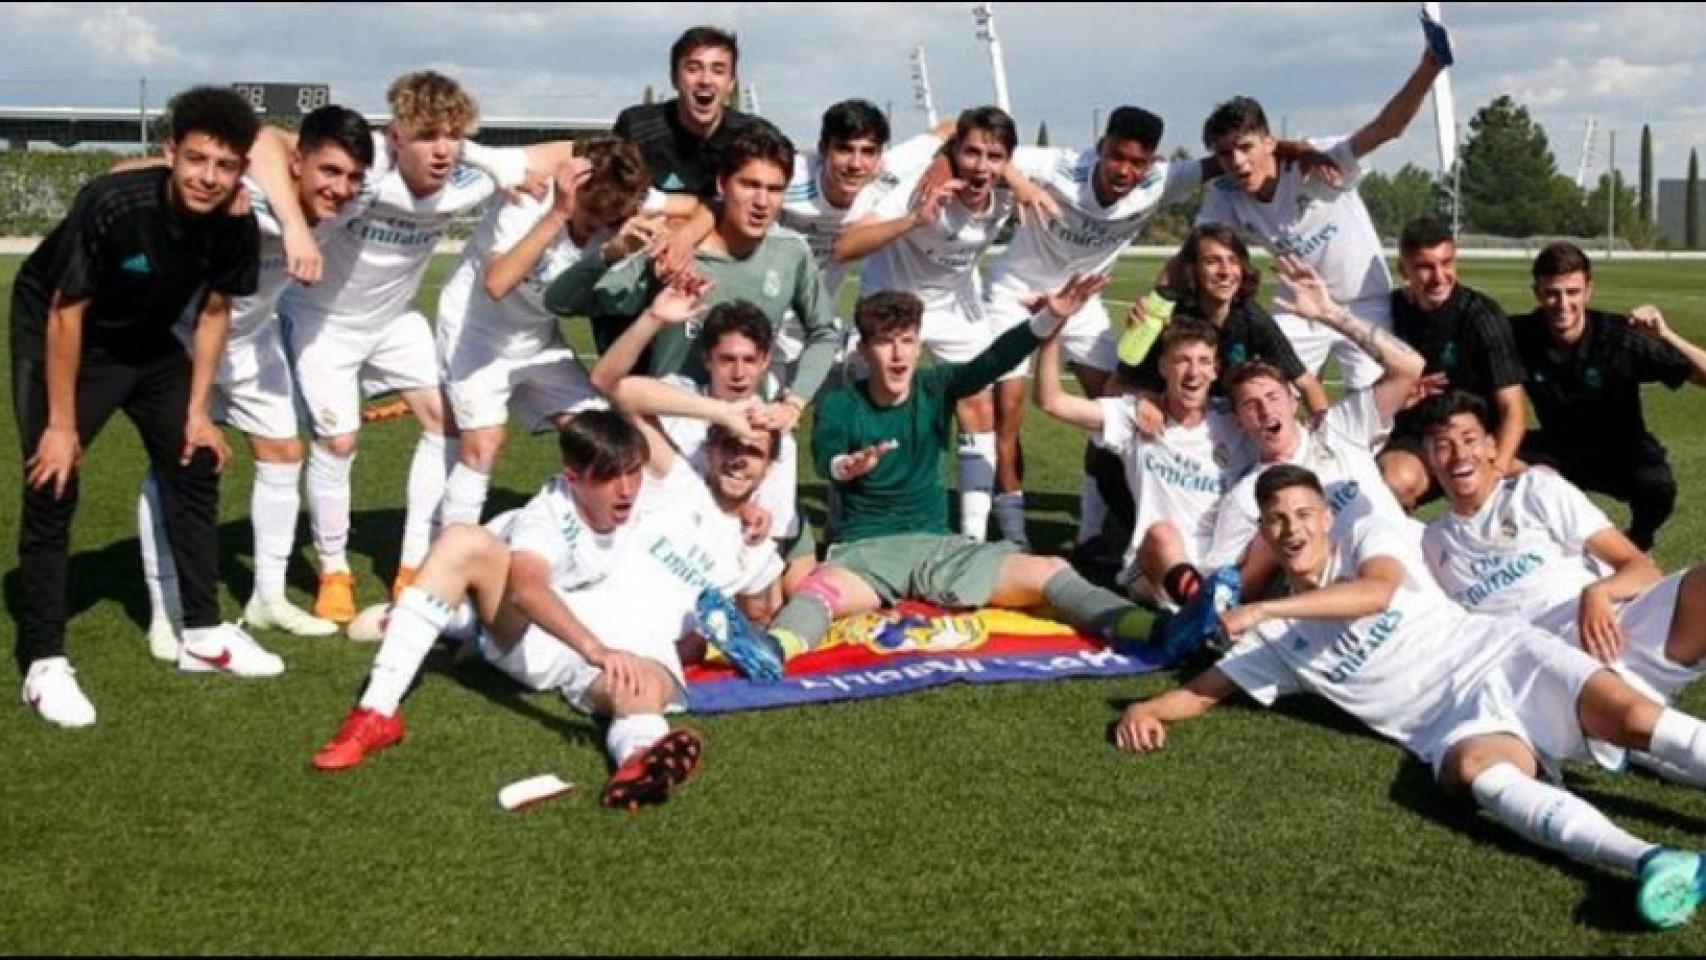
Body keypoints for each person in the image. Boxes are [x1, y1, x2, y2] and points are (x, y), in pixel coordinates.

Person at [1116, 464, 1706, 931]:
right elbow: (1202, 694)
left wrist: (1265, 605)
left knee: (1632, 717)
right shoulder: (1278, 645)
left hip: (1499, 655)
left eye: (1302, 514)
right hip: (1449, 722)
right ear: (1264, 534)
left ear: (1326, 519)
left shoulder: (1367, 543)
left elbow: (1374, 593)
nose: (1292, 529)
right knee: (1478, 772)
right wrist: (1147, 708)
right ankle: (1652, 860)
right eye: (1276, 521)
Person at [310, 407, 782, 810]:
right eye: (608, 477)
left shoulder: (676, 502)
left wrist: (742, 517)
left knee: (638, 684)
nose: (625, 489)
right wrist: (594, 648)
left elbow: (759, 599)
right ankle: (378, 710)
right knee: (461, 542)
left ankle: (638, 764)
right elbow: (528, 588)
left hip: (628, 644)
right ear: (573, 477)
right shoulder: (550, 510)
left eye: (632, 472)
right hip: (542, 637)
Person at [252, 71, 568, 621]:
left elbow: (570, 151)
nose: (442, 150)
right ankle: (333, 569)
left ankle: (413, 563)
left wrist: (490, 158)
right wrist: (297, 229)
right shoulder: (365, 165)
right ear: (394, 136)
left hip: (394, 322)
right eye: (427, 136)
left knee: (445, 422)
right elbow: (263, 139)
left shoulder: (471, 175)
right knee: (340, 442)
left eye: (453, 135)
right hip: (323, 322)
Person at [728, 276, 1156, 680]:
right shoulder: (840, 403)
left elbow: (994, 360)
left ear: (918, 346)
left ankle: (1154, 630)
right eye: (885, 343)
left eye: (907, 342)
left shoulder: (936, 387)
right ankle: (770, 651)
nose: (897, 355)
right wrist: (847, 467)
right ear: (864, 351)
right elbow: (825, 459)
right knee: (816, 595)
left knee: (1050, 569)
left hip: (940, 549)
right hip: (864, 554)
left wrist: (1050, 318)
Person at [12, 87, 274, 727]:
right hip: (65, 333)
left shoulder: (237, 223)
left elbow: (215, 314)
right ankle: (44, 663)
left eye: (225, 164)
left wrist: (196, 410)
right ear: (169, 153)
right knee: (55, 477)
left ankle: (203, 634)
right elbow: (64, 314)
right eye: (196, 159)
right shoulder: (112, 203)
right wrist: (62, 424)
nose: (208, 177)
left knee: (195, 458)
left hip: (149, 339)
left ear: (242, 170)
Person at [134, 105, 374, 658]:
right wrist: (290, 226)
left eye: (353, 176)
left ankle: (268, 597)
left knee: (285, 453)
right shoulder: (250, 192)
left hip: (253, 340)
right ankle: (165, 610)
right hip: (183, 339)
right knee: (176, 468)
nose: (341, 189)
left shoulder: (349, 196)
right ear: (297, 163)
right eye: (329, 172)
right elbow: (262, 135)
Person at [434, 137, 684, 527]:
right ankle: (448, 564)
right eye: (588, 215)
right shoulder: (529, 199)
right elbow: (497, 284)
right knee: (483, 446)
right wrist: (557, 213)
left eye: (607, 219)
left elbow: (696, 208)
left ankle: (581, 532)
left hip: (538, 339)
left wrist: (672, 238)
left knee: (603, 438)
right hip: (476, 336)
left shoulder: (621, 199)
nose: (595, 227)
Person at [1418, 392, 1706, 718]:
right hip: (1551, 670)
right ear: (1428, 460)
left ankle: (1638, 710)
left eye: (1469, 440)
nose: (1459, 455)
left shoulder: (1535, 490)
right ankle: (1636, 719)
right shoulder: (1430, 542)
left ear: (1492, 446)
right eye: (1442, 445)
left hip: (1618, 626)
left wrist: (1599, 591)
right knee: (1628, 718)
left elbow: (1641, 568)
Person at [548, 120, 838, 435]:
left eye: (774, 189)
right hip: (674, 427)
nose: (762, 202)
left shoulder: (791, 252)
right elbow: (562, 303)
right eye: (749, 185)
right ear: (722, 184)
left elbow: (824, 332)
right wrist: (610, 254)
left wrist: (794, 402)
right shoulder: (673, 251)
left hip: (749, 428)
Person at [1194, 41, 1446, 390]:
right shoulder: (1225, 192)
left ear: (1269, 142)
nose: (1237, 162)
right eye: (1225, 154)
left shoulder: (1315, 158)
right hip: (1298, 306)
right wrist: (1158, 304)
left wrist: (1428, 69)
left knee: (1377, 408)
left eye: (1245, 147)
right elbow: (1195, 250)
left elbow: (1387, 128)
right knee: (1264, 392)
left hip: (1363, 302)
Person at [832, 106, 1022, 542]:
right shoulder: (919, 183)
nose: (981, 166)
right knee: (868, 412)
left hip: (955, 306)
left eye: (994, 157)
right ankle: (848, 524)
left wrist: (1025, 185)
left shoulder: (1011, 188)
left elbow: (1005, 159)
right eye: (970, 153)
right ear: (953, 150)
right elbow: (846, 246)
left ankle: (974, 535)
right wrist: (916, 218)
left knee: (977, 406)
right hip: (892, 299)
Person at [1203, 258, 1425, 580]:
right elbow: (1217, 580)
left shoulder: (1339, 428)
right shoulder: (1246, 497)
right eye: (1251, 406)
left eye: (1273, 397)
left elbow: (1409, 368)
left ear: (1294, 400)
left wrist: (1332, 315)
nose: (1266, 411)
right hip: (1351, 611)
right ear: (1239, 422)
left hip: (1419, 570)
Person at [592, 282, 814, 592]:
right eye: (727, 360)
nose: (739, 374)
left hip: (722, 556)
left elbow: (767, 533)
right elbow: (610, 385)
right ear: (707, 359)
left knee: (782, 589)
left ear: (765, 362)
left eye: (749, 360)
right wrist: (719, 412)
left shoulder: (773, 432)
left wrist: (749, 517)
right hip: (652, 537)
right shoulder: (675, 397)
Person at [1035, 319, 1254, 608]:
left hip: (1220, 565)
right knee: (1162, 535)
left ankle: (1211, 613)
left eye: (1203, 361)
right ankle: (1204, 616)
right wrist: (1051, 336)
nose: (1193, 372)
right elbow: (1051, 402)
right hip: (1152, 566)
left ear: (1216, 370)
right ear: (1163, 366)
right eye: (1182, 360)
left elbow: (1288, 432)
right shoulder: (1135, 418)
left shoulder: (1234, 421)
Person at [1511, 243, 1706, 551]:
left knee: (1657, 486)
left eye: (1572, 292)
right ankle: (1528, 553)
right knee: (1492, 459)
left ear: (1588, 291)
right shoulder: (1518, 335)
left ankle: (1636, 544)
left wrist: (1666, 335)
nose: (1562, 303)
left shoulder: (1618, 337)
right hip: (1558, 447)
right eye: (1552, 292)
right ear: (1536, 292)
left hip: (1621, 449)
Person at [1378, 218, 1527, 510]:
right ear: (1403, 270)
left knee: (1540, 485)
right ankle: (1409, 551)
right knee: (1393, 480)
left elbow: (1513, 408)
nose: (1439, 276)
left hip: (1474, 441)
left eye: (1446, 263)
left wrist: (1495, 470)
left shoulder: (1481, 316)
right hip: (1416, 440)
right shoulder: (1389, 312)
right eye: (1425, 267)